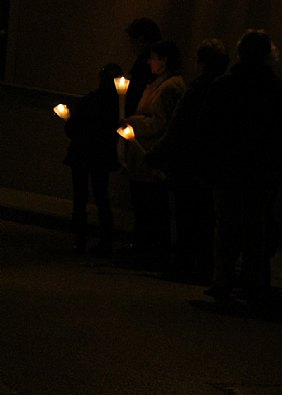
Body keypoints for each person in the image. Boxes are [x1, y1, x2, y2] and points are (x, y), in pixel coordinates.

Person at [199, 30, 282, 302]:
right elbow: (281, 132)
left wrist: (209, 161)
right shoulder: (275, 88)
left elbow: (209, 128)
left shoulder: (223, 85)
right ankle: (253, 280)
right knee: (255, 226)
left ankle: (222, 278)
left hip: (227, 165)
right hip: (259, 168)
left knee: (225, 224)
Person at [146, 38, 229, 283]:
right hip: (217, 164)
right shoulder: (226, 88)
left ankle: (186, 263)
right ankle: (206, 265)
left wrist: (157, 154)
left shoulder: (197, 89)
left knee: (188, 216)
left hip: (191, 164)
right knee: (207, 218)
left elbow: (178, 126)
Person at [121, 40, 187, 266]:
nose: (150, 61)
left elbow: (160, 123)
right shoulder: (161, 84)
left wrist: (131, 123)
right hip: (145, 156)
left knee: (150, 207)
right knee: (145, 206)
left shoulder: (169, 88)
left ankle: (151, 252)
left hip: (150, 156)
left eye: (153, 57)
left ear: (164, 61)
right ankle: (145, 249)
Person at [63, 63, 122, 255]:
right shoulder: (118, 106)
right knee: (101, 196)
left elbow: (72, 129)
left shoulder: (90, 101)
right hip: (101, 155)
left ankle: (80, 239)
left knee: (80, 196)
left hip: (82, 153)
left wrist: (68, 120)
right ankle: (105, 240)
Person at [124, 17, 162, 117]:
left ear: (141, 41)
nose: (131, 46)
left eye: (132, 41)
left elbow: (135, 95)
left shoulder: (144, 65)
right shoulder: (157, 65)